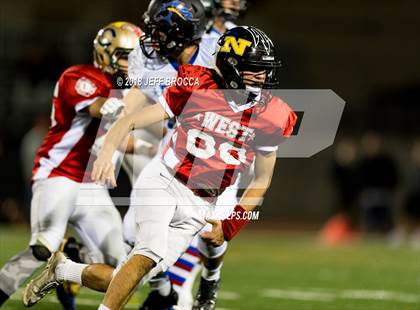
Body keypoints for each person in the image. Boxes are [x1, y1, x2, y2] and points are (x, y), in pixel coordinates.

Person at [24, 26, 297, 310]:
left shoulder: (273, 116)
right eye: (254, 69)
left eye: (265, 70)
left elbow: (261, 180)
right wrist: (106, 151)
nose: (262, 77)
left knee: (130, 276)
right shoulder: (196, 85)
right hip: (165, 181)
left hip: (201, 204)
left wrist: (229, 227)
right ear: (231, 67)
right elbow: (130, 120)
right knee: (148, 252)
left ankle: (63, 270)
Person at [0, 21, 141, 308]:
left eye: (137, 58)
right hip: (59, 176)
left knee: (121, 271)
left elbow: (127, 141)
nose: (132, 65)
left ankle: (69, 265)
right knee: (42, 247)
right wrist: (126, 105)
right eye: (127, 56)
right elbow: (99, 107)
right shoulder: (78, 77)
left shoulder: (134, 91)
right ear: (106, 54)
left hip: (94, 190)